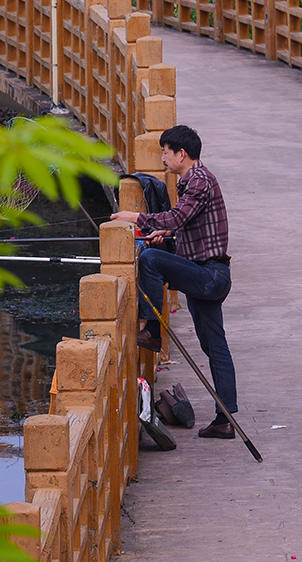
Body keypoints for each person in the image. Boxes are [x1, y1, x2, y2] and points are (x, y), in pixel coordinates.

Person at [110, 125, 239, 439]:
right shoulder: (193, 180)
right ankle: (225, 419)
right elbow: (186, 222)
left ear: (182, 153)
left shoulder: (198, 181)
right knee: (214, 346)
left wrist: (134, 216)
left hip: (209, 275)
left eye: (165, 152)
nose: (163, 158)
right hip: (207, 273)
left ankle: (153, 332)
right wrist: (166, 233)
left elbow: (176, 216)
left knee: (151, 260)